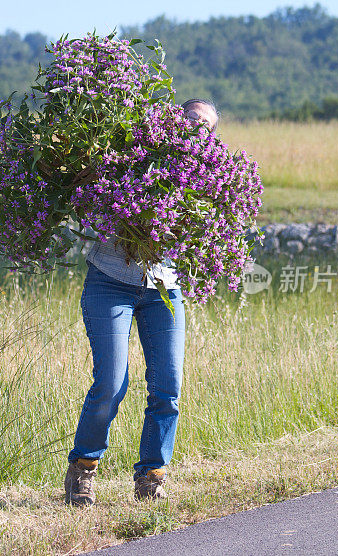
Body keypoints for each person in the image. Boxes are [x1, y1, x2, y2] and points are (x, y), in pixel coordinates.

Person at [64, 99, 220, 506]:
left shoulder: (206, 179)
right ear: (174, 120)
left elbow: (200, 235)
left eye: (207, 126)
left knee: (168, 387)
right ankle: (83, 468)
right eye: (192, 120)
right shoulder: (135, 152)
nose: (198, 129)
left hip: (163, 289)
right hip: (110, 281)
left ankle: (151, 477)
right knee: (112, 383)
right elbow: (90, 207)